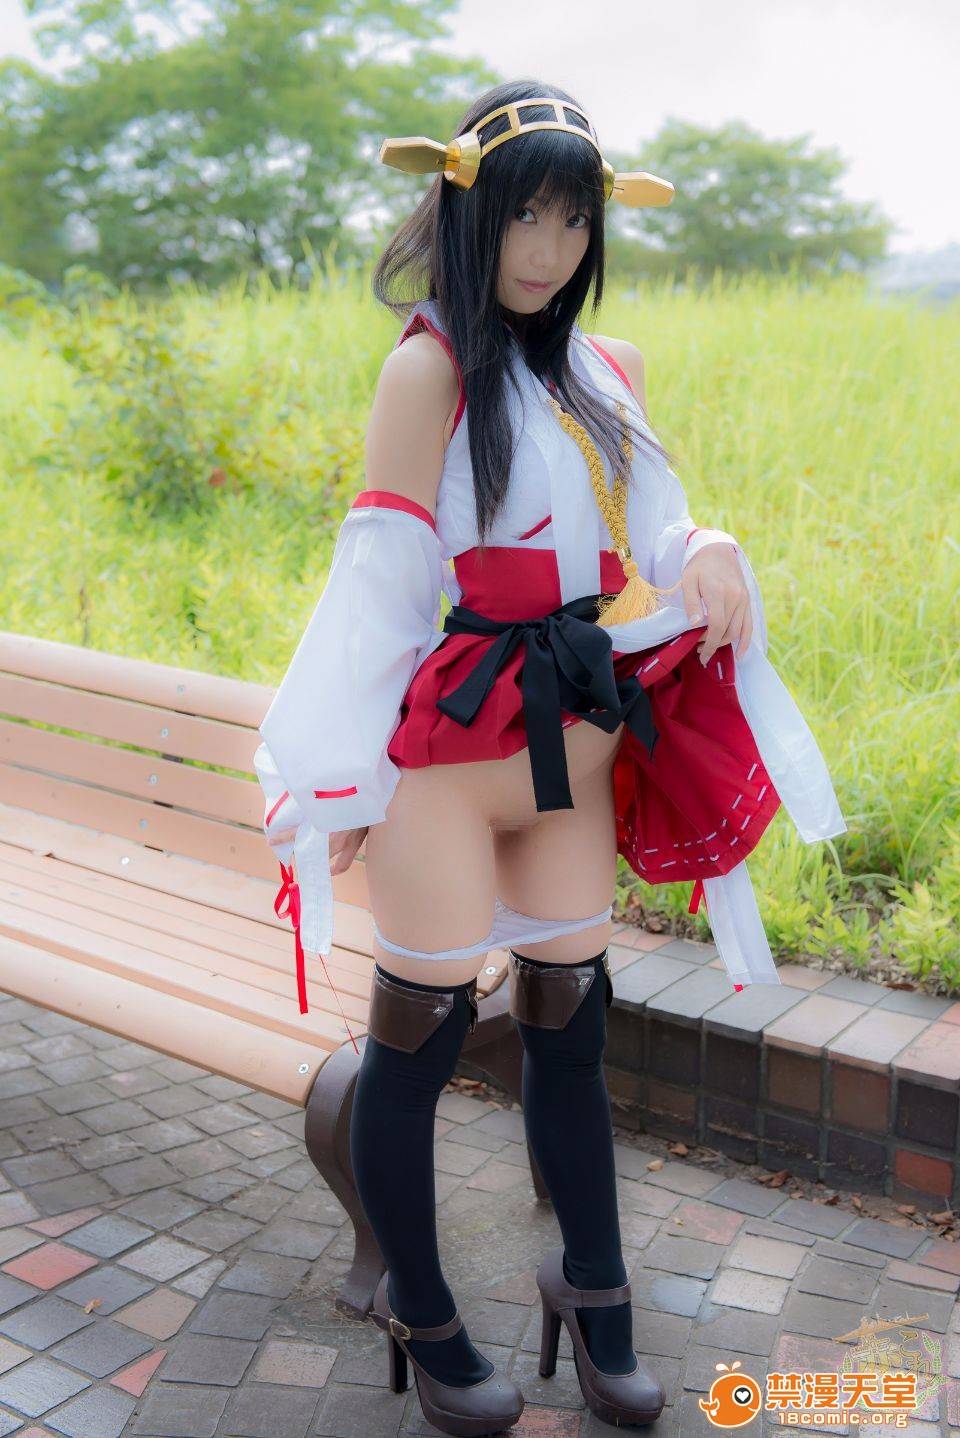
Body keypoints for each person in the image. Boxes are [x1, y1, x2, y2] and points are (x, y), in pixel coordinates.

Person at [254, 79, 847, 1435]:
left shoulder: (605, 368)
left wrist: (707, 551)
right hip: (450, 767)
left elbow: (658, 527)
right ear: (471, 208)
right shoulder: (427, 367)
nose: (550, 246)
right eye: (527, 213)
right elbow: (382, 581)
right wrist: (334, 774)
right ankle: (421, 1305)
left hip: (570, 746)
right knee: (419, 1042)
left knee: (572, 1031)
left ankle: (593, 1289)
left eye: (575, 220)